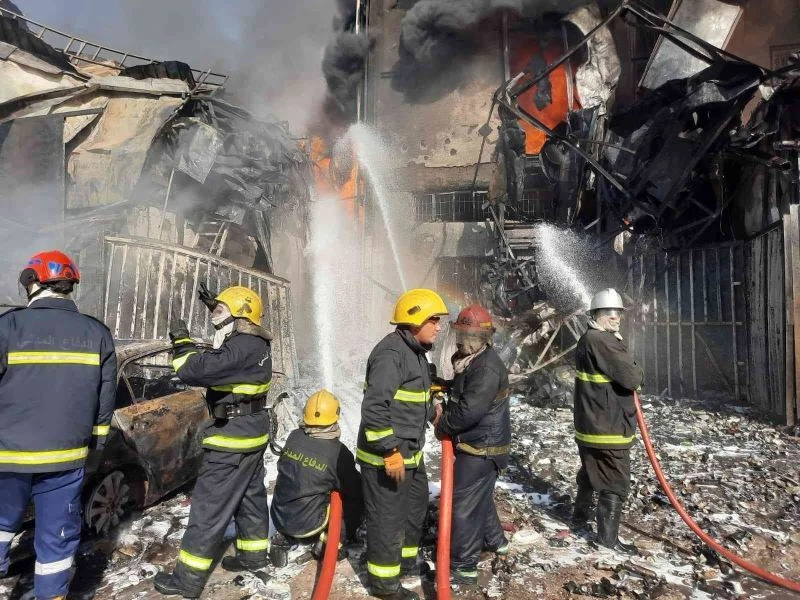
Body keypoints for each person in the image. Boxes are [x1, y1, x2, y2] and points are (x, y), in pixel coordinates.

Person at [0, 250, 116, 600]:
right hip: (66, 459)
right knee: (57, 539)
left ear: (32, 282)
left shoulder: (8, 326)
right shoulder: (97, 333)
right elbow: (104, 402)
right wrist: (95, 449)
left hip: (7, 457)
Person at [154, 286, 273, 598]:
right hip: (251, 432)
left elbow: (193, 370)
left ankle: (187, 581)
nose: (213, 318)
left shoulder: (241, 346)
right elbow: (228, 341)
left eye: (220, 312)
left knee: (209, 507)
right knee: (250, 497)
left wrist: (181, 341)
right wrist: (216, 304)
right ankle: (253, 556)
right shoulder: (255, 342)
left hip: (231, 439)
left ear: (239, 316)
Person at [357, 289, 449, 600]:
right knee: (388, 519)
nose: (438, 327)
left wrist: (434, 412)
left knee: (415, 505)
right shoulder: (390, 354)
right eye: (433, 320)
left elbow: (412, 397)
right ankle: (384, 585)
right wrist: (390, 450)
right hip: (386, 457)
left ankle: (404, 562)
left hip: (409, 452)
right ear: (415, 320)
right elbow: (374, 408)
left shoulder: (416, 353)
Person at [434, 304, 510, 587]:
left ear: (482, 338)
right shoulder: (472, 360)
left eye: (469, 337)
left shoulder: (486, 368)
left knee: (462, 503)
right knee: (479, 496)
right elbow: (464, 391)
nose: (462, 341)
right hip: (478, 444)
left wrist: (441, 425)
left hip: (483, 448)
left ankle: (464, 565)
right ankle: (496, 541)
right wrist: (443, 386)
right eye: (461, 335)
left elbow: (469, 411)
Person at [572, 288, 643, 554]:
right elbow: (631, 377)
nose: (616, 317)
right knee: (615, 481)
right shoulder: (602, 341)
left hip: (591, 425)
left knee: (591, 473)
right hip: (608, 428)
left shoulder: (587, 339)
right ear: (596, 314)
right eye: (609, 313)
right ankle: (608, 541)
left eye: (618, 313)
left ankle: (580, 517)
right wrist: (638, 373)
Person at [269, 389, 363, 566]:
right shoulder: (339, 453)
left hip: (279, 516)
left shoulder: (294, 436)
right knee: (354, 498)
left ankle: (285, 536)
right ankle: (331, 540)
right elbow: (355, 490)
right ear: (335, 416)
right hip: (309, 524)